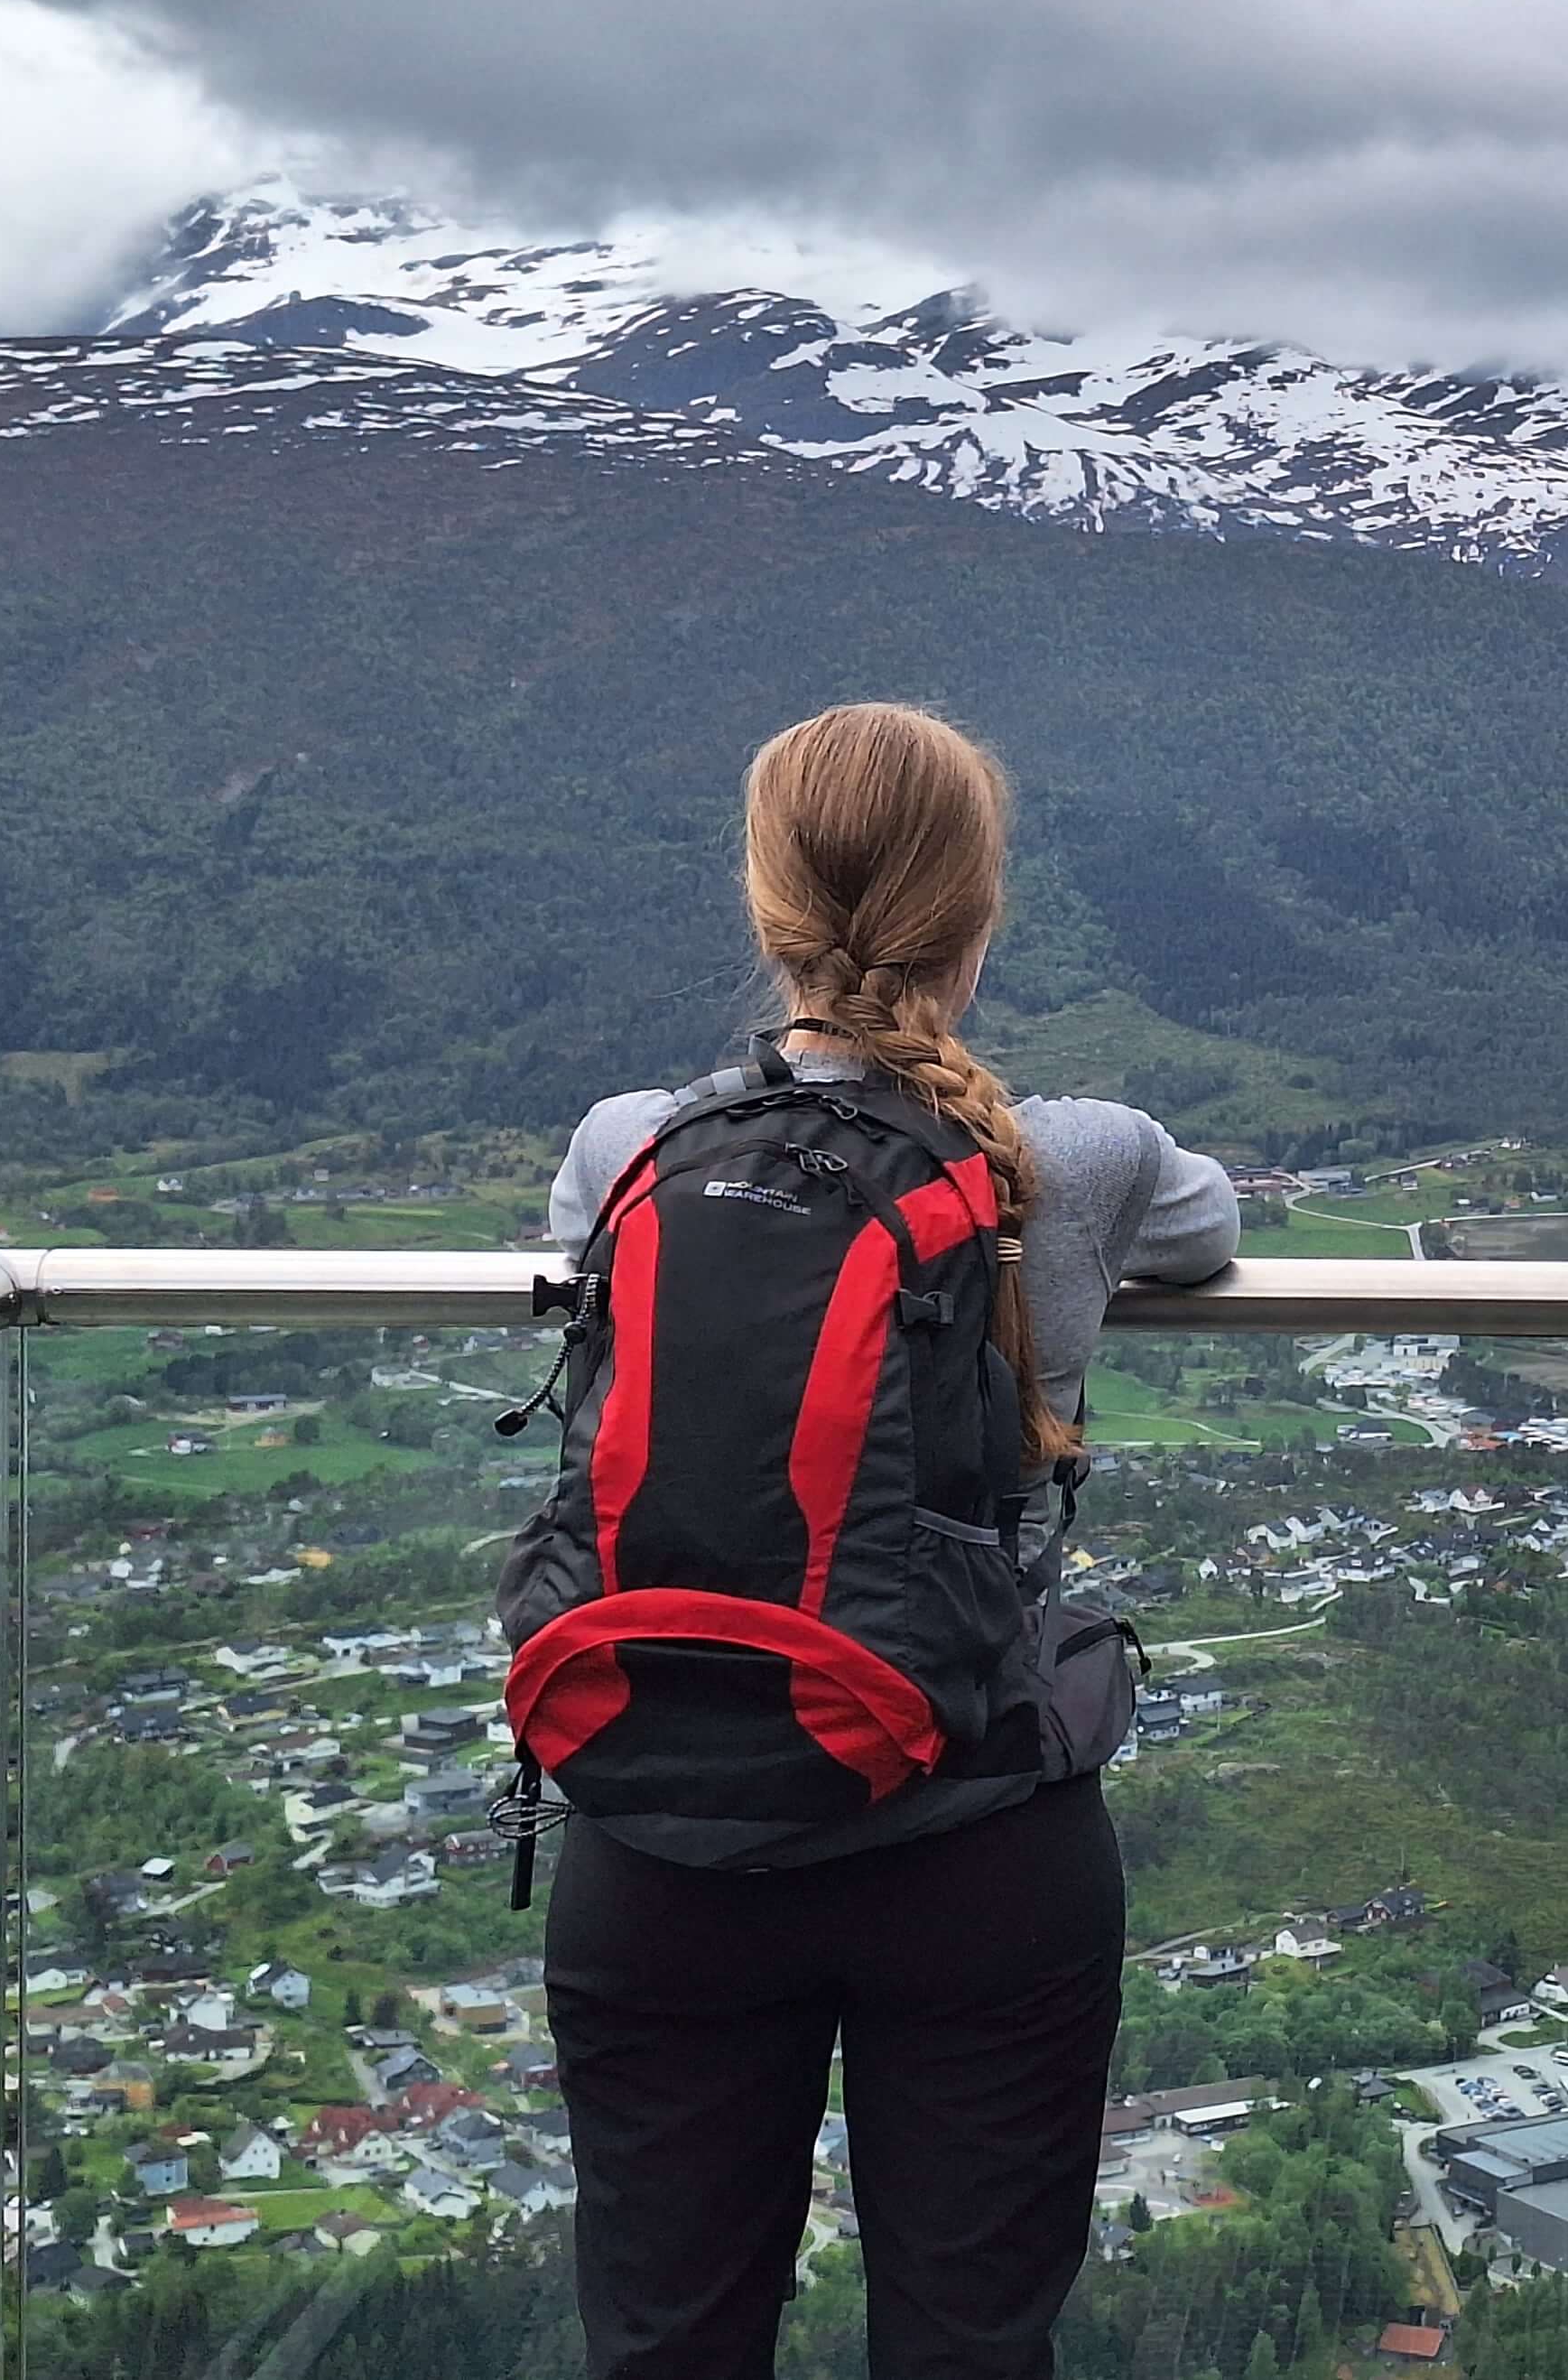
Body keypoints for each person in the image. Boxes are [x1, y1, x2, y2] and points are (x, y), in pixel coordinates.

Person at [527, 702, 1237, 2378]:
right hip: (977, 1843)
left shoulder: (631, 1151)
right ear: (978, 918)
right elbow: (1213, 1232)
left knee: (665, 2345)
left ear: (766, 910)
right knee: (971, 2347)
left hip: (661, 1827)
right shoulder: (1072, 1156)